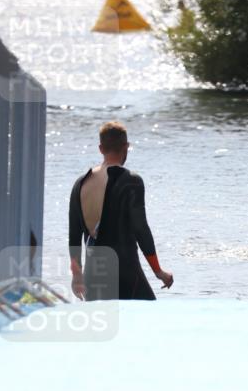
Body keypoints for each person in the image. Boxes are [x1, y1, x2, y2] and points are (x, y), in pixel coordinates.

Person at [69, 121, 173, 301]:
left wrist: (77, 275)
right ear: (126, 147)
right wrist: (158, 271)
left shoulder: (80, 183)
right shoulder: (132, 181)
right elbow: (141, 229)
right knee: (149, 320)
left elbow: (74, 235)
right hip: (126, 272)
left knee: (103, 326)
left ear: (101, 148)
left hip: (93, 276)